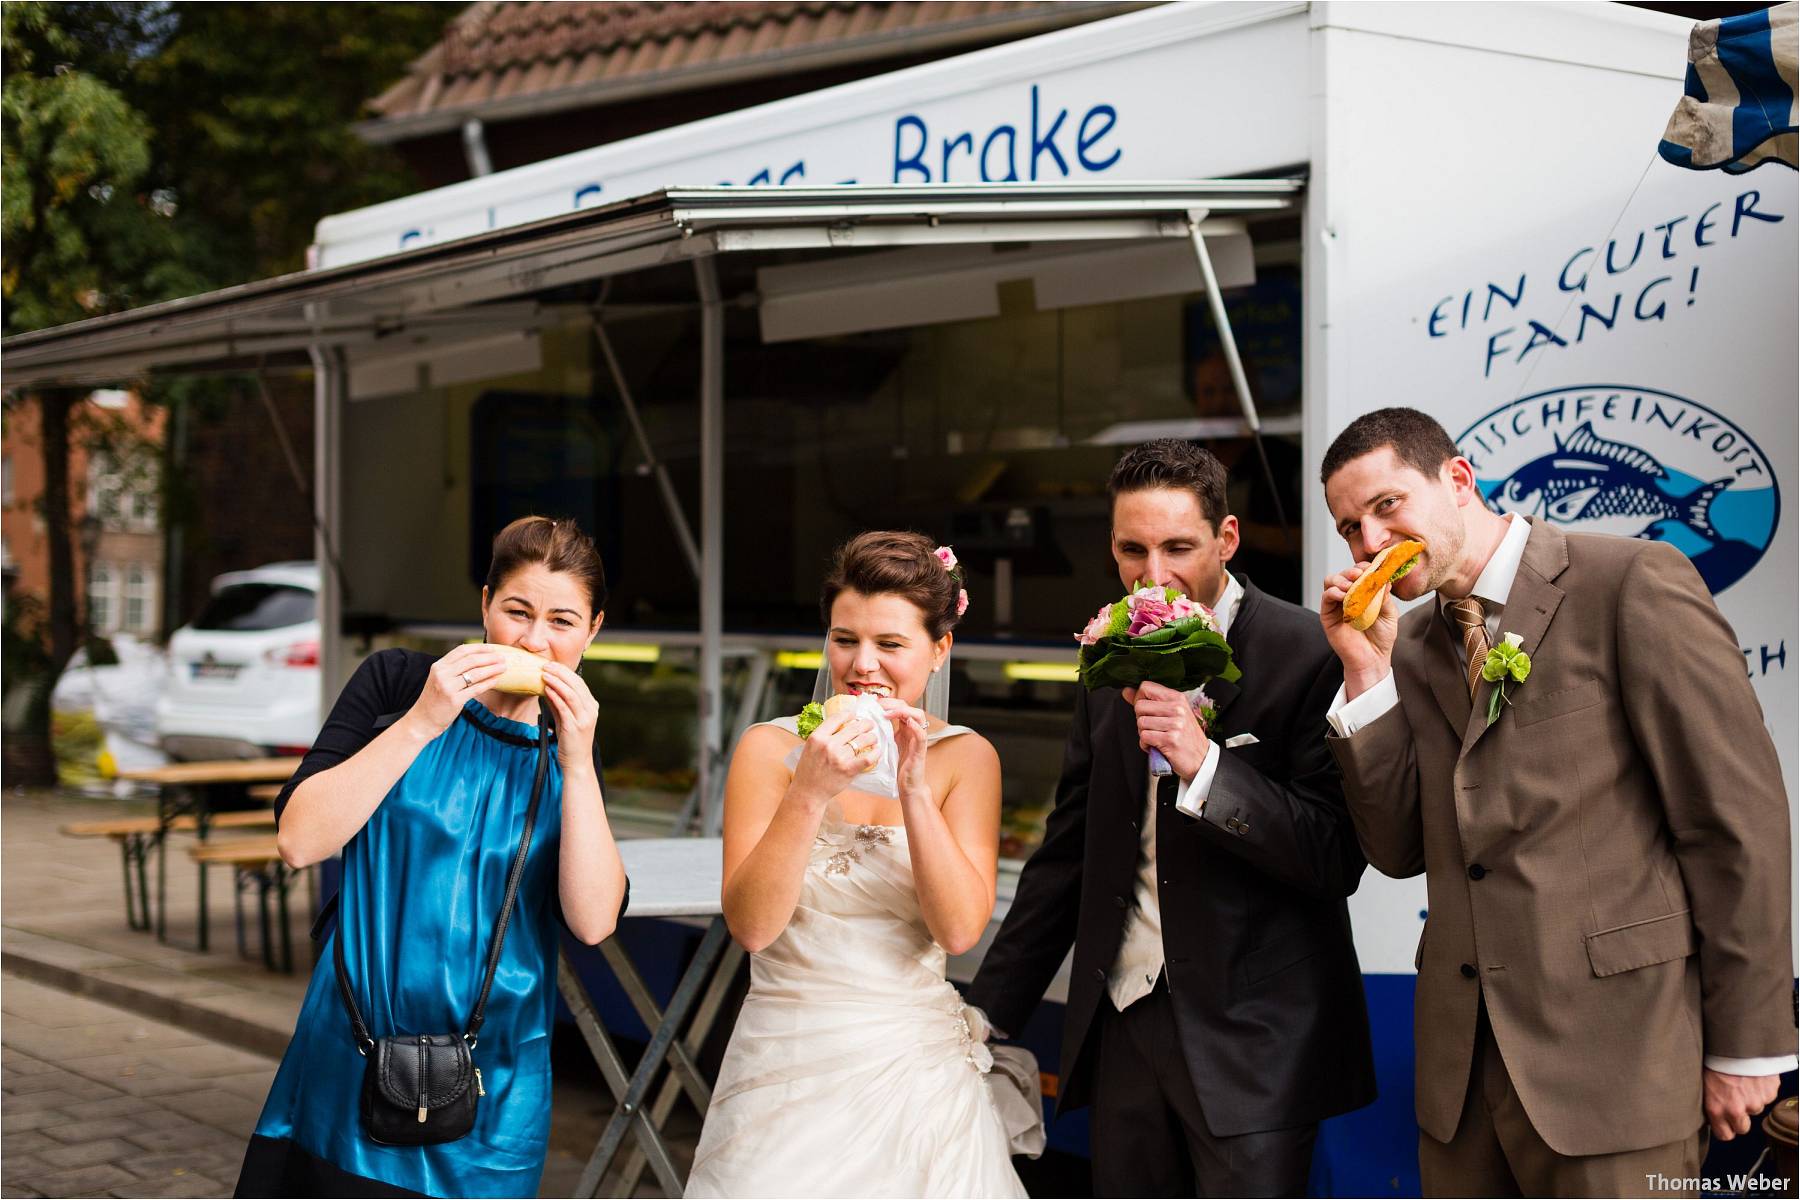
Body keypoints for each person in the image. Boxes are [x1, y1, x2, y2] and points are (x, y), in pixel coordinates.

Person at [1317, 407, 1795, 1196]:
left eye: (1387, 506)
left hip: (1618, 1071)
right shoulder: (1411, 645)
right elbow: (1399, 852)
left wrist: (1747, 1046)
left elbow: (1733, 825)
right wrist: (1366, 677)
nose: (1369, 542)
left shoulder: (1630, 581)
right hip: (1461, 1088)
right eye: (1348, 527)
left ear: (1459, 480)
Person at [966, 439, 1375, 1198]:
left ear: (1226, 539)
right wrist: (986, 1014)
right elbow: (1070, 849)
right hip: (1123, 1023)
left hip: (1256, 1043)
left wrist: (1207, 766)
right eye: (1133, 549)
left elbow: (1333, 856)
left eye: (1179, 548)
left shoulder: (1307, 652)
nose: (1154, 575)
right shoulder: (1105, 655)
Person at [236, 516, 629, 1199]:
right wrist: (425, 719)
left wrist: (577, 760)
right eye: (517, 612)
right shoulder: (397, 684)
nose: (535, 640)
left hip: (496, 1075)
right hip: (354, 1048)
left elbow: (593, 919)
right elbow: (300, 841)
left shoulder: (574, 743)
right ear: (484, 606)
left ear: (593, 630)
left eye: (562, 621)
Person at [685, 531, 1042, 1199]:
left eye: (890, 644)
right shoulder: (769, 749)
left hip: (915, 1074)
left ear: (939, 650)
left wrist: (911, 786)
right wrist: (810, 791)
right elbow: (753, 928)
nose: (863, 664)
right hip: (785, 1064)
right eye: (845, 639)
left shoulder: (968, 759)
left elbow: (960, 931)